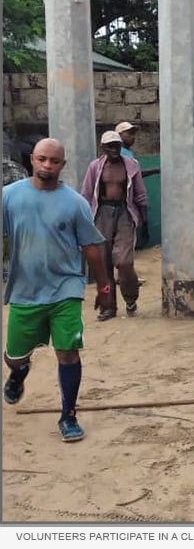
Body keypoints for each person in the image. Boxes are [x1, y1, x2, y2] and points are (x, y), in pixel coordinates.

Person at [3, 138, 112, 441]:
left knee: (69, 353)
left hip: (66, 289)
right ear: (32, 161)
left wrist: (103, 287)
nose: (47, 166)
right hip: (25, 291)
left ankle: (69, 415)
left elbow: (91, 248)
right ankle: (18, 372)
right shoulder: (9, 197)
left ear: (62, 165)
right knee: (15, 356)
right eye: (42, 159)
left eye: (54, 161)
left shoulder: (75, 202)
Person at [80, 131, 148, 321]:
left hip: (125, 213)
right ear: (102, 148)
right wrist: (85, 222)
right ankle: (108, 306)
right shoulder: (95, 167)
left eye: (117, 145)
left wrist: (143, 220)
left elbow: (140, 195)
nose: (114, 149)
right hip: (101, 214)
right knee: (103, 264)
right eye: (109, 146)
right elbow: (86, 195)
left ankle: (130, 298)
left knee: (124, 262)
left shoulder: (131, 166)